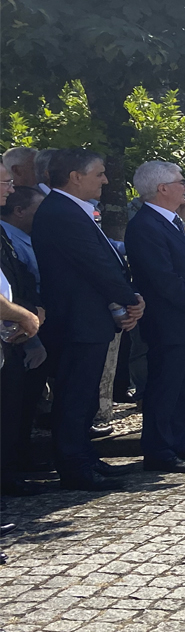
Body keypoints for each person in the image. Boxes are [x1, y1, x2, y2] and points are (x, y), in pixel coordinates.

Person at [32, 148, 144, 490]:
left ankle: (85, 456)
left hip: (88, 318)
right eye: (99, 173)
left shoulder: (71, 209)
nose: (106, 180)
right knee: (74, 395)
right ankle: (75, 467)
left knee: (86, 395)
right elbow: (94, 264)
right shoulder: (61, 212)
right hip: (75, 320)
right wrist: (131, 298)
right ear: (75, 177)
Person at [125, 162, 185, 473]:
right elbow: (164, 278)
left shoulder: (169, 221)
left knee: (182, 384)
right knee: (165, 384)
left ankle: (178, 441)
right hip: (167, 319)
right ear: (162, 189)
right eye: (181, 182)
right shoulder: (146, 225)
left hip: (182, 317)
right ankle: (158, 449)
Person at [0, 166, 49, 496]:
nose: (11, 187)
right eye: (5, 181)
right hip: (11, 328)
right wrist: (25, 316)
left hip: (11, 336)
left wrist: (31, 310)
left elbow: (15, 278)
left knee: (12, 409)